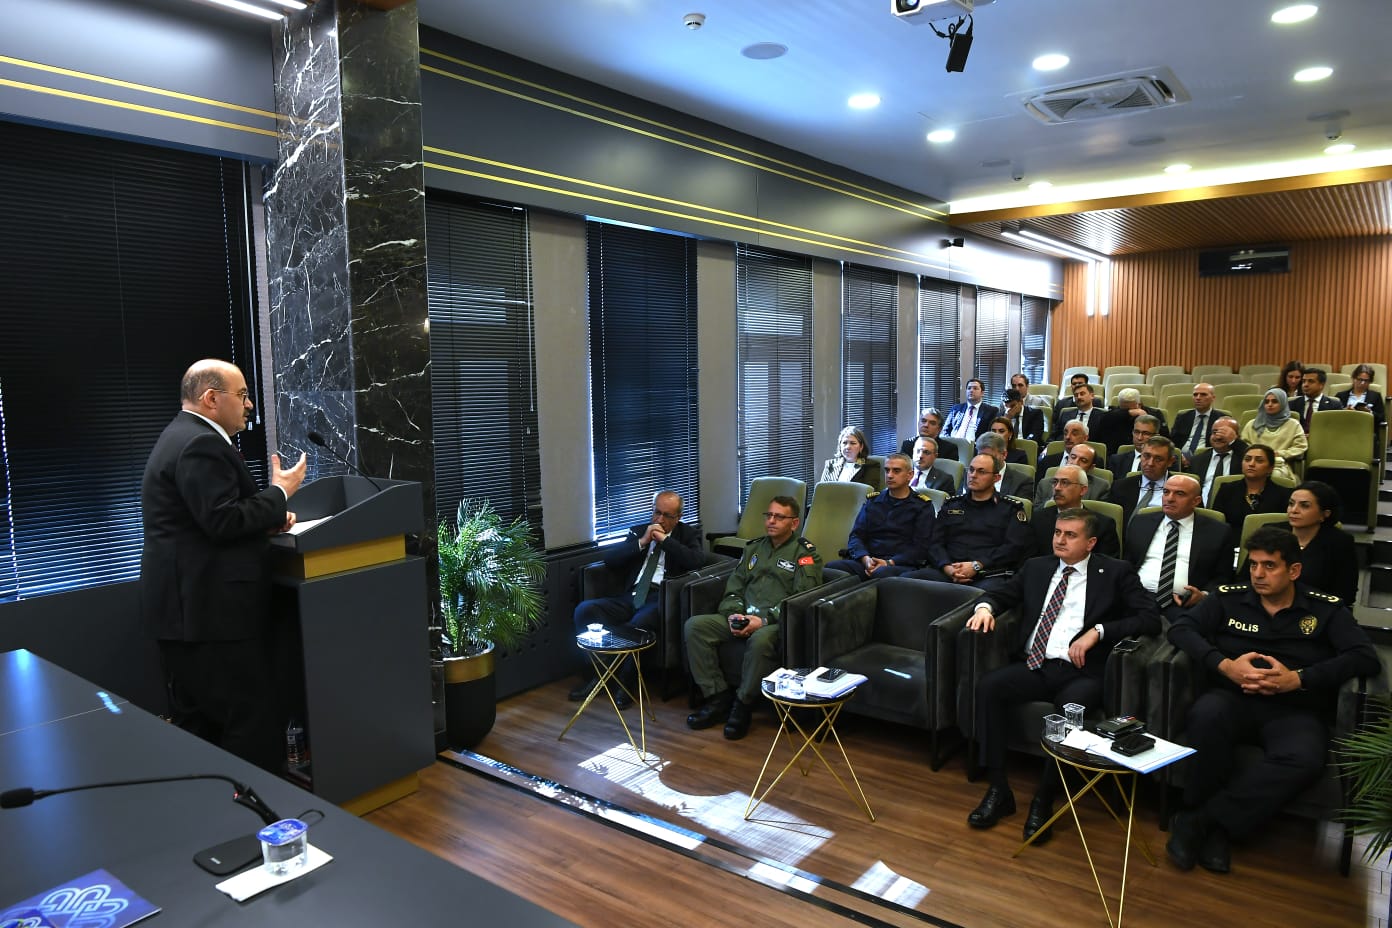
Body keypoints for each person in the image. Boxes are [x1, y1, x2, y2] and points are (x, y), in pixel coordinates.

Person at [1165, 526, 1379, 874]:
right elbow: (1180, 629)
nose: (1258, 574)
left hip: (1293, 708)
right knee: (1205, 717)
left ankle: (1203, 821)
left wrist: (1299, 678)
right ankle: (1215, 826)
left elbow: (1365, 657)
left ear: (1294, 570)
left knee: (1304, 759)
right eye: (1253, 565)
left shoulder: (1324, 609)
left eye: (1269, 566)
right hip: (1232, 697)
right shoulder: (1228, 598)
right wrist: (1225, 665)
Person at [141, 359, 307, 773]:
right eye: (243, 395)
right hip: (211, 619)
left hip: (188, 616)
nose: (249, 405)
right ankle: (256, 808)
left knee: (200, 727)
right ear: (211, 399)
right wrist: (279, 493)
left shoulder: (179, 435)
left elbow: (206, 519)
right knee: (249, 726)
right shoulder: (201, 444)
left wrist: (266, 520)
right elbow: (222, 520)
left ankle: (216, 808)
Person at [964, 509, 1159, 842]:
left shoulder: (1115, 572)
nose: (1060, 540)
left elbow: (1150, 618)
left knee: (1072, 707)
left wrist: (1099, 630)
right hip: (1035, 664)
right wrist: (984, 609)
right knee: (989, 687)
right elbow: (1000, 594)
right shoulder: (1037, 567)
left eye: (1070, 535)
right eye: (1057, 532)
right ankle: (998, 788)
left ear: (1091, 543)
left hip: (1082, 672)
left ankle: (1044, 798)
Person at [685, 496, 824, 740]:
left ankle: (742, 705)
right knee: (696, 626)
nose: (771, 521)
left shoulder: (805, 555)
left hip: (776, 623)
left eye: (779, 517)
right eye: (769, 515)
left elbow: (800, 599)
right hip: (743, 615)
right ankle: (717, 697)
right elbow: (734, 588)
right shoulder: (753, 549)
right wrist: (733, 614)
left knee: (760, 640)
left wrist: (765, 620)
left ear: (794, 523)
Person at [569, 490, 705, 705]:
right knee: (585, 610)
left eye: (667, 515)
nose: (659, 519)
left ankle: (625, 683)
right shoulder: (640, 531)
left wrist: (665, 541)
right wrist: (642, 542)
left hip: (660, 597)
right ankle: (598, 676)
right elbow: (611, 560)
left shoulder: (688, 535)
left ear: (678, 517)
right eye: (656, 512)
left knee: (639, 624)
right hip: (630, 595)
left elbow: (696, 561)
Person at [913, 454, 1032, 592]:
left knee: (989, 595)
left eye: (981, 472)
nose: (973, 475)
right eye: (971, 470)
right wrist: (946, 567)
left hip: (988, 575)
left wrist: (977, 565)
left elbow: (1013, 548)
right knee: (906, 581)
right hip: (948, 572)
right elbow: (935, 542)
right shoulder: (952, 505)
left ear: (996, 478)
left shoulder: (1010, 508)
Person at [1124, 474, 1234, 619]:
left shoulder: (1218, 532)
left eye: (1179, 494)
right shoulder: (1140, 522)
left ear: (1196, 501)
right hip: (1138, 598)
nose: (1169, 498)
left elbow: (1223, 577)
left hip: (1184, 604)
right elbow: (1127, 563)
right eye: (1166, 492)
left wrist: (1203, 595)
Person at [1238, 481, 1358, 606]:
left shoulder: (1340, 542)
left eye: (1304, 506)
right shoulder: (1269, 532)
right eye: (1291, 504)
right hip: (1263, 605)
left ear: (1324, 514)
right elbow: (1244, 579)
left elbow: (1346, 593)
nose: (1294, 510)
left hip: (1314, 610)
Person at [827, 453, 936, 581]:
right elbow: (856, 536)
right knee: (831, 569)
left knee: (881, 574)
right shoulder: (873, 501)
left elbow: (920, 547)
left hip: (900, 564)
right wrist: (865, 559)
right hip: (869, 561)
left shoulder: (922, 506)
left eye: (896, 471)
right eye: (887, 470)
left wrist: (889, 563)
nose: (890, 475)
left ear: (910, 475)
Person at [1030, 466, 1120, 558]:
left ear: (1083, 490)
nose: (1057, 488)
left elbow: (1107, 564)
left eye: (1065, 482)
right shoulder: (1038, 519)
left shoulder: (1103, 525)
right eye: (1055, 482)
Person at [1210, 443, 1290, 539]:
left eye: (1259, 461)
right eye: (1247, 459)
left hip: (1269, 543)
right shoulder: (1226, 490)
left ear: (1270, 468)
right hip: (1231, 543)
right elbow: (1216, 524)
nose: (1251, 464)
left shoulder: (1284, 494)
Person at [1240, 391, 1305, 484]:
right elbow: (1244, 446)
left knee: (1275, 475)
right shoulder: (1252, 424)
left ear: (1283, 403)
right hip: (1253, 462)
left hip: (1278, 465)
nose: (1270, 405)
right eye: (1266, 402)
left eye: (1274, 401)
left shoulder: (1293, 424)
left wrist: (1280, 453)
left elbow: (1300, 447)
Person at [1110, 435, 1178, 524]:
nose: (1150, 463)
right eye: (1146, 456)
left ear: (1170, 462)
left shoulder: (1180, 491)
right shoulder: (1120, 486)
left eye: (1158, 459)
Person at [1187, 416, 1247, 506]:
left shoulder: (1244, 458)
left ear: (1237, 436)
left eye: (1224, 432)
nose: (1218, 437)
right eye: (1215, 432)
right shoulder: (1197, 460)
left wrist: (1234, 442)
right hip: (1199, 508)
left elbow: (1251, 453)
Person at [1034, 442, 1110, 509]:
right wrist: (1053, 499)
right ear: (1067, 459)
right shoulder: (1044, 484)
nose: (1075, 463)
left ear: (1091, 467)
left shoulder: (1101, 487)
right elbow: (1036, 514)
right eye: (1073, 457)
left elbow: (1098, 516)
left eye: (1083, 460)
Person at [1095, 387, 1168, 454]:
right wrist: (1128, 412)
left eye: (1130, 408)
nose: (1127, 411)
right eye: (1123, 409)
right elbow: (1103, 419)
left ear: (1139, 405)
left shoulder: (1154, 414)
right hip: (1118, 455)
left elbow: (1165, 437)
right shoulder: (1113, 414)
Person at [1171, 383, 1231, 465]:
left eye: (1203, 394)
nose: (1198, 398)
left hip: (1208, 460)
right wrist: (1179, 455)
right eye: (1195, 395)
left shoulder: (1222, 419)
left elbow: (1226, 444)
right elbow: (1172, 441)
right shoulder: (1183, 417)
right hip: (1181, 459)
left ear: (1213, 398)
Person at [819, 425, 883, 490]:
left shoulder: (870, 465)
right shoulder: (831, 465)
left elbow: (870, 492)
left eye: (853, 443)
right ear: (840, 446)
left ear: (861, 447)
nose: (848, 447)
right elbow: (821, 490)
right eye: (844, 443)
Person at [976, 431, 1033, 498]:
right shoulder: (970, 475)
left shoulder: (1022, 481)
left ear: (1004, 454)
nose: (985, 462)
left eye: (991, 457)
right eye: (981, 456)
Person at [1289, 368, 1341, 433]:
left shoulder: (1334, 406)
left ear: (1321, 385)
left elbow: (1337, 429)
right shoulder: (1291, 404)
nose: (1305, 385)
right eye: (1304, 381)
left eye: (1311, 381)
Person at [1337, 363, 1387, 428]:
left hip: (1366, 428)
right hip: (1344, 427)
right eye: (1360, 379)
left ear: (1370, 381)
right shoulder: (1341, 396)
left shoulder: (1375, 396)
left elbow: (1381, 418)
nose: (1363, 383)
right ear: (1354, 378)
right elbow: (1332, 415)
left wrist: (1369, 412)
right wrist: (1344, 411)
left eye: (1366, 381)